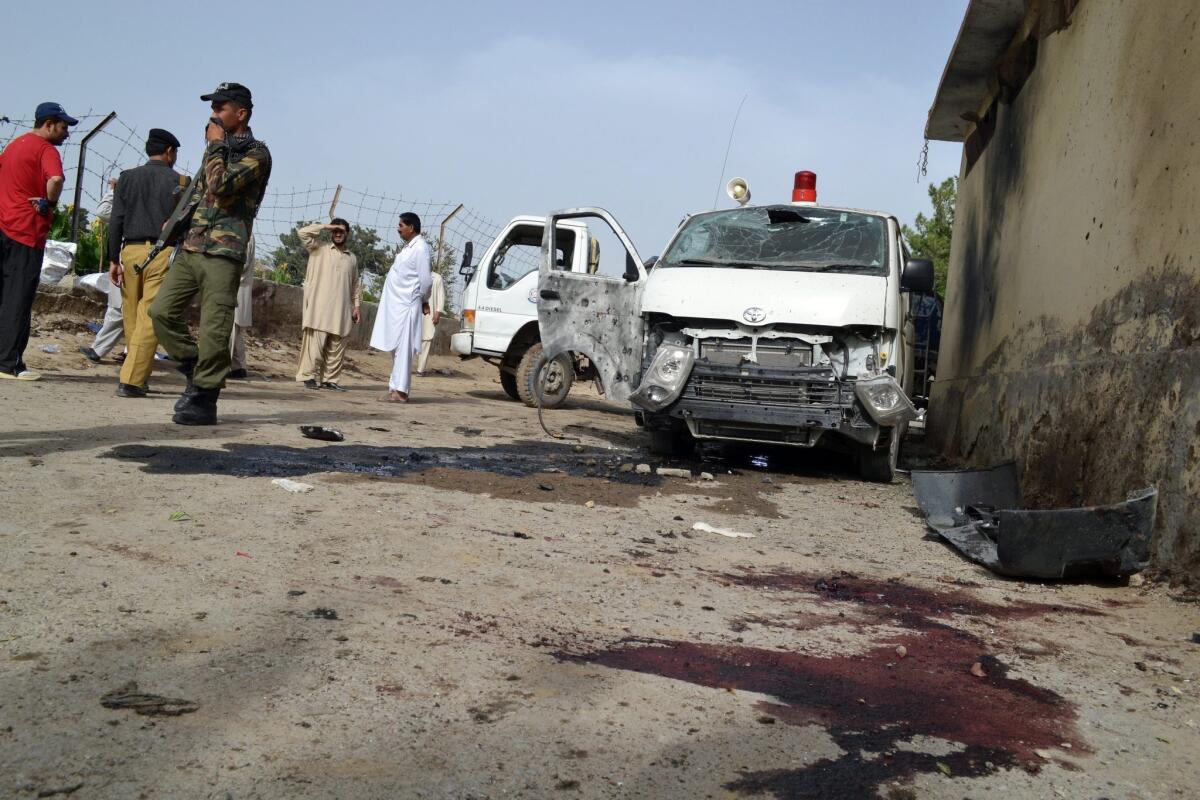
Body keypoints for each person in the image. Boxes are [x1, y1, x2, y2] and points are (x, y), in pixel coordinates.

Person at [149, 82, 271, 425]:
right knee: (161, 312)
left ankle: (205, 396)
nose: (213, 114)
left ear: (241, 113)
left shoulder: (257, 154)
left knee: (215, 326)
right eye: (213, 108)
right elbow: (204, 193)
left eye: (220, 108)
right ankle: (194, 368)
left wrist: (216, 144)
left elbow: (222, 186)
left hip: (224, 251)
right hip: (192, 246)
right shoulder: (214, 150)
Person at [0, 102, 77, 381]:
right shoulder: (46, 150)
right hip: (26, 231)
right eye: (63, 126)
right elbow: (55, 179)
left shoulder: (13, 146)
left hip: (3, 226)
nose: (66, 133)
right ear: (49, 124)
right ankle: (8, 363)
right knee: (18, 299)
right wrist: (50, 203)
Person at [107, 128, 185, 397]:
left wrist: (112, 259)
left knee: (131, 316)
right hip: (162, 253)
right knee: (149, 317)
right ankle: (132, 380)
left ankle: (135, 372)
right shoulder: (180, 182)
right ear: (170, 152)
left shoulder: (127, 178)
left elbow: (116, 219)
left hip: (130, 251)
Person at [370, 212, 431, 402]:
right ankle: (394, 388)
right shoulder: (408, 248)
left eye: (401, 225)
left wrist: (423, 300)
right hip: (397, 306)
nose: (398, 228)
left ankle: (401, 392)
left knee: (404, 350)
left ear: (411, 228)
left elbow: (426, 281)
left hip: (407, 307)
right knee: (397, 348)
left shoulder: (420, 248)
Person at [295, 219, 360, 390]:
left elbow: (355, 284)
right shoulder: (319, 248)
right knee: (314, 347)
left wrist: (357, 306)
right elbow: (302, 233)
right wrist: (325, 226)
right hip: (319, 308)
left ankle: (330, 380)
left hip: (342, 310)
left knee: (336, 347)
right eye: (335, 231)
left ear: (347, 234)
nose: (338, 234)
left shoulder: (351, 258)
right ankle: (308, 376)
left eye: (342, 231)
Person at [79, 178, 127, 364]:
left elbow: (103, 212)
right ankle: (130, 352)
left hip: (130, 254)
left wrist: (114, 192)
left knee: (118, 306)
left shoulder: (130, 203)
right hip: (158, 255)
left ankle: (99, 350)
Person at [228, 236, 256, 379]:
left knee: (229, 329)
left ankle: (222, 366)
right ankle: (239, 367)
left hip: (235, 287)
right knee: (234, 330)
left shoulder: (245, 235)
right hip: (236, 288)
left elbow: (241, 264)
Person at [415, 269, 444, 375]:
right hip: (415, 312)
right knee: (410, 339)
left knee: (426, 339)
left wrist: (438, 312)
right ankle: (404, 368)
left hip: (429, 313)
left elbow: (440, 297)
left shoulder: (437, 278)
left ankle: (420, 369)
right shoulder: (415, 275)